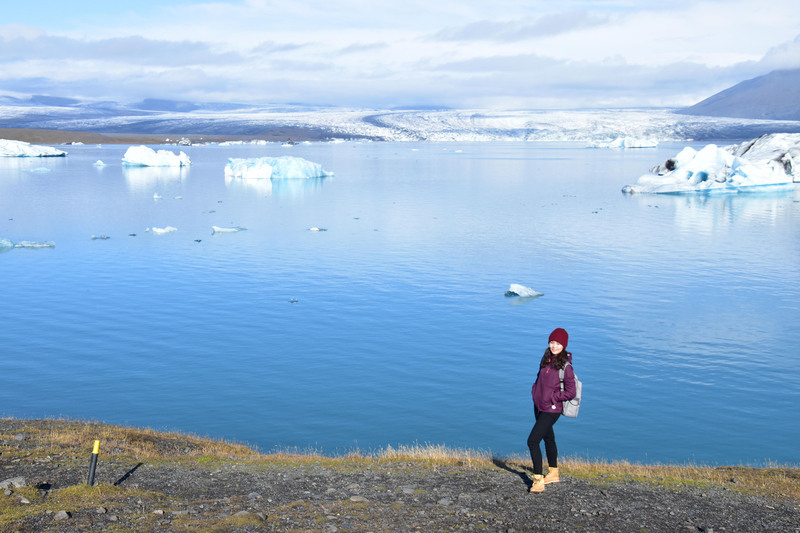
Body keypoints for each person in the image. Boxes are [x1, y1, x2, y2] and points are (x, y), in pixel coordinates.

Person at [527, 327, 576, 493]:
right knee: (548, 438)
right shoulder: (546, 359)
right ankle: (554, 472)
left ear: (564, 345)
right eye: (552, 342)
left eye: (558, 343)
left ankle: (538, 480)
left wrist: (553, 398)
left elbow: (572, 392)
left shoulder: (566, 367)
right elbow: (538, 379)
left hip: (552, 409)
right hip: (539, 405)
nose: (554, 346)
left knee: (532, 441)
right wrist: (535, 392)